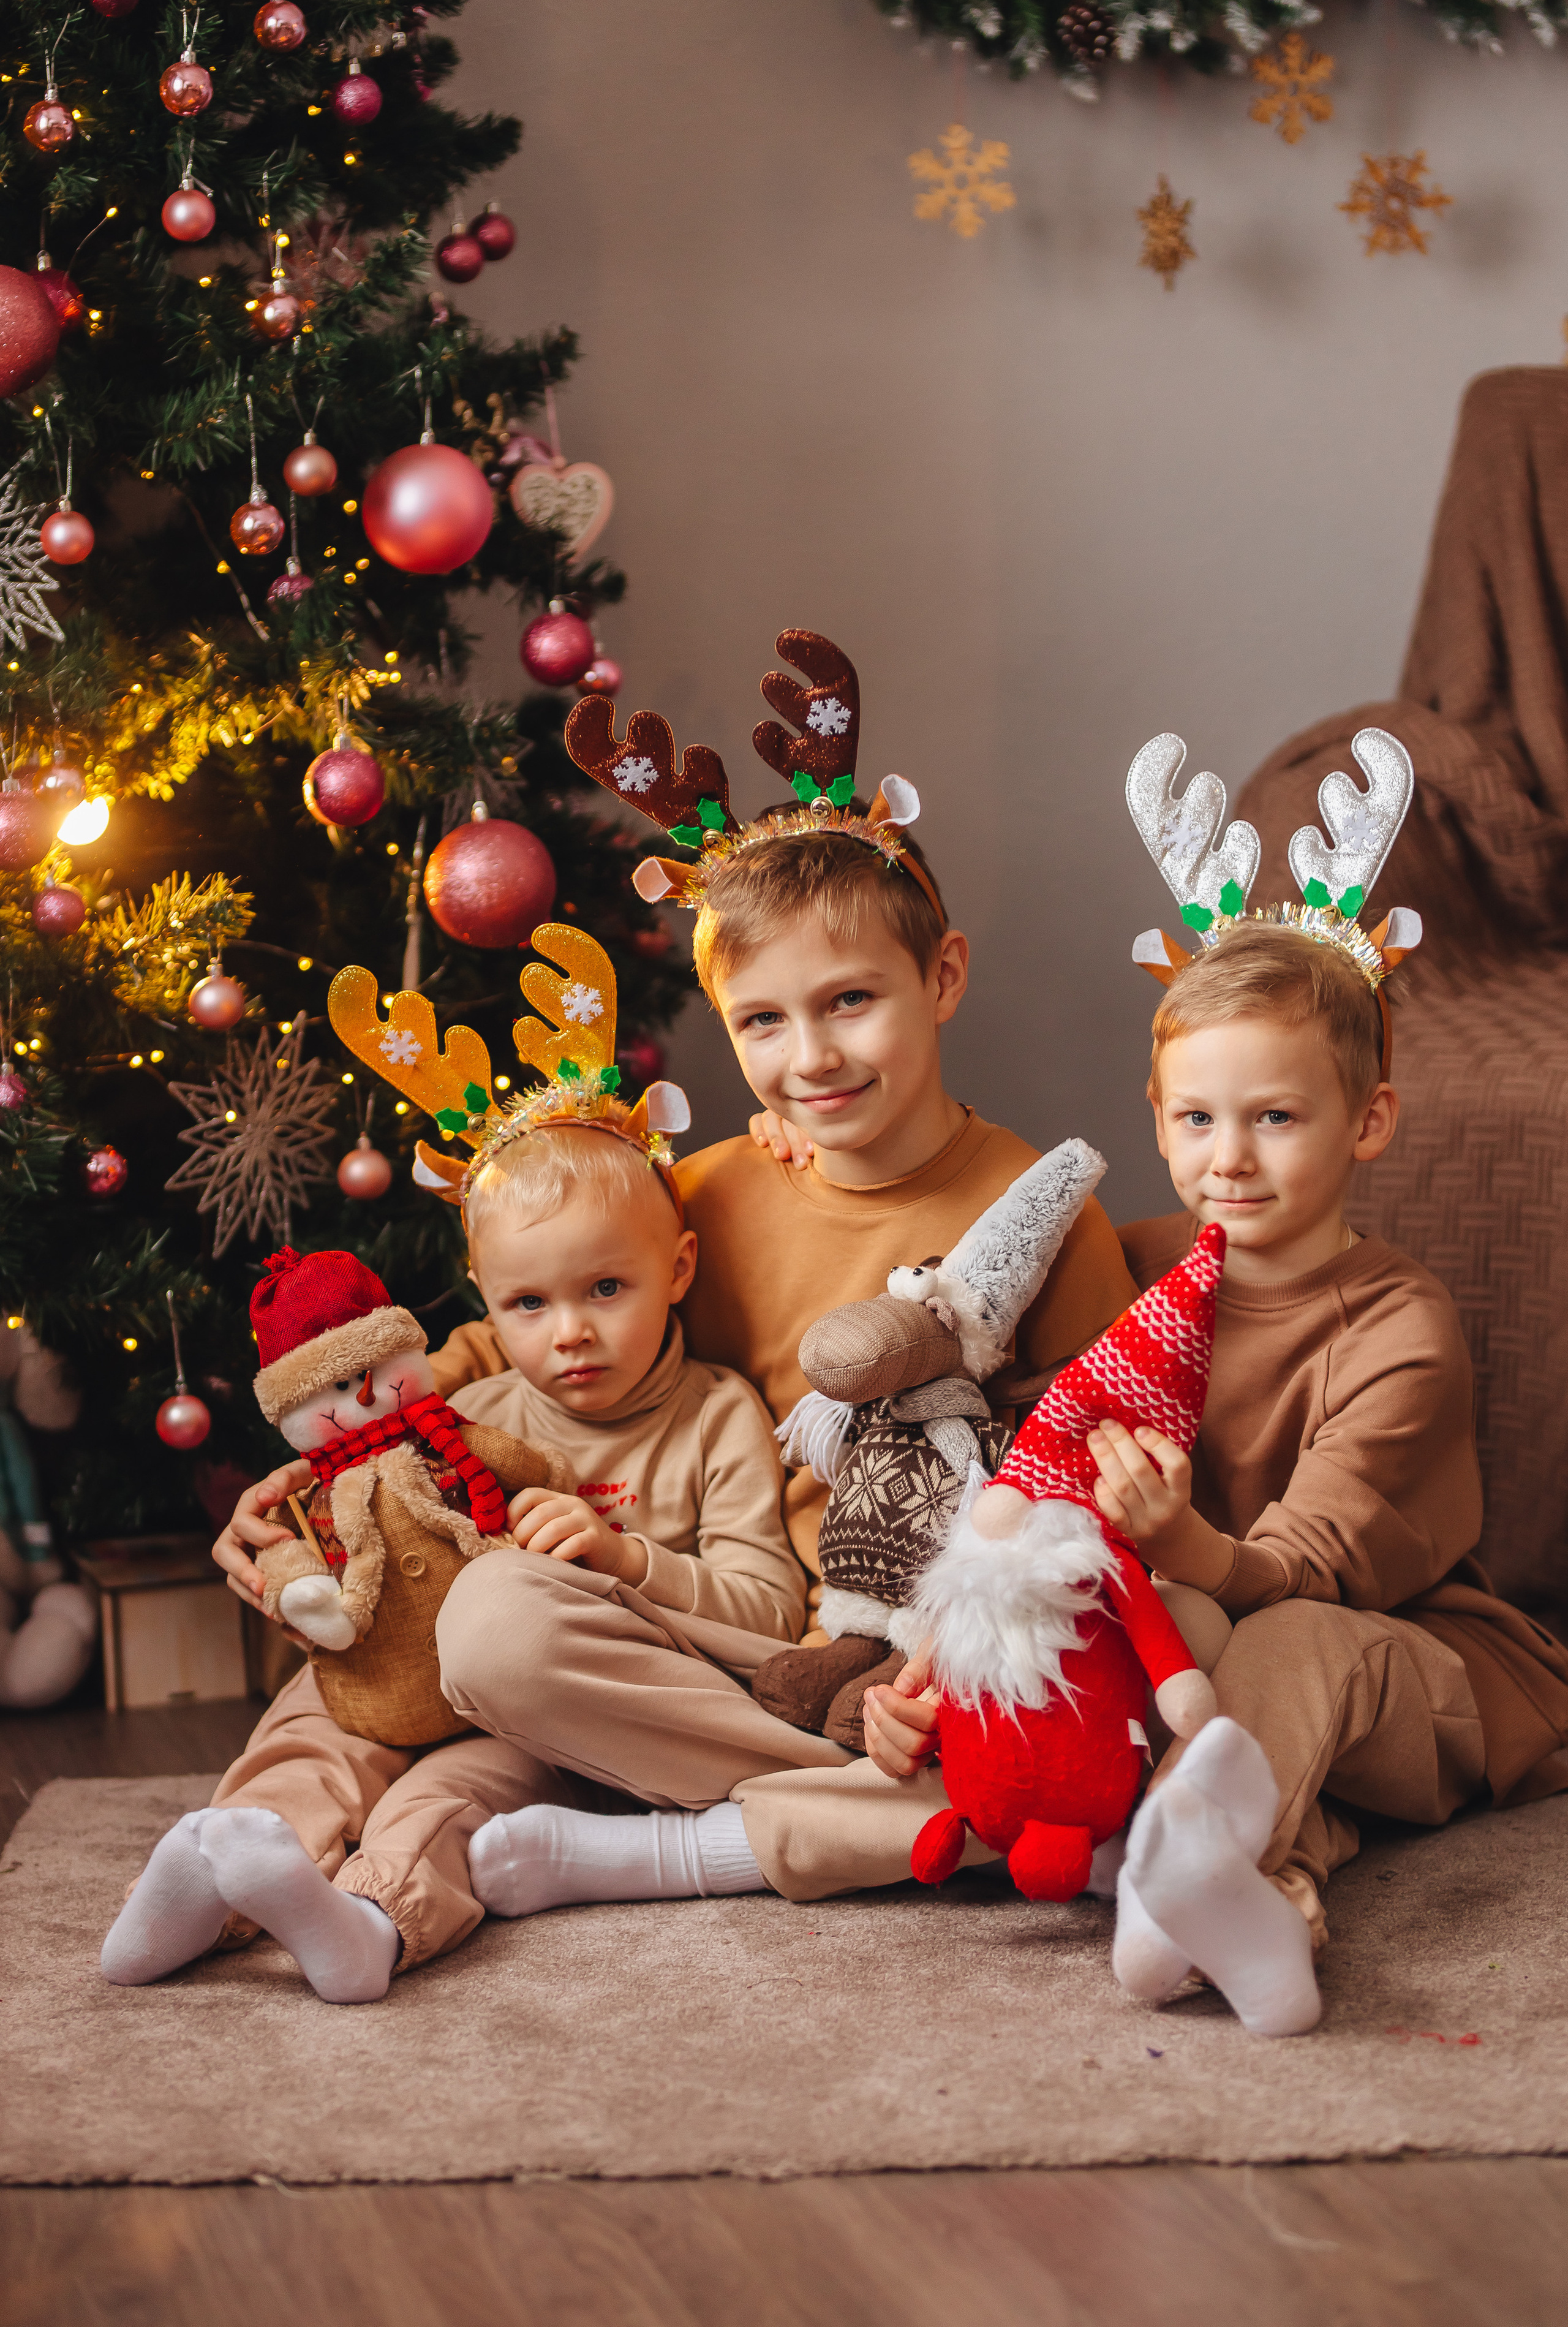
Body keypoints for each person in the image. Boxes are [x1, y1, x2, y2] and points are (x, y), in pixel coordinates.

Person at [214, 631, 1139, 1915]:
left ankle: (821, 1809)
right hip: (689, 1639)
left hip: (899, 1654)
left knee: (499, 1655)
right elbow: (503, 1349)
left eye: (850, 1002)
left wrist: (942, 1665)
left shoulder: (1036, 1214)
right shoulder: (703, 1190)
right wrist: (301, 1472)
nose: (809, 1058)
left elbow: (1071, 1498)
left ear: (942, 978)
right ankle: (250, 1850)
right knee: (477, 1618)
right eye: (763, 1021)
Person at [113, 944, 801, 2003]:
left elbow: (766, 1614)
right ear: (483, 1301)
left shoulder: (717, 1416)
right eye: (528, 1305)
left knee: (461, 1785)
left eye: (607, 1288)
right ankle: (231, 1858)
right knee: (318, 1718)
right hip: (404, 1677)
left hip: (546, 1708)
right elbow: (351, 1543)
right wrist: (304, 1580)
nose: (569, 1334)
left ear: (678, 1268)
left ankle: (371, 1920)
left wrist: (630, 1559)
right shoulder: (459, 1415)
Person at [1080, 918, 1568, 2030]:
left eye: (1277, 1118)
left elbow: (1311, 1575)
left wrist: (1179, 1545)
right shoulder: (1121, 1264)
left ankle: (1176, 1870)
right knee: (1120, 1631)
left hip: (1414, 1659)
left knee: (1283, 1644)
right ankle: (1264, 1889)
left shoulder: (1402, 1325)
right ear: (1158, 1119)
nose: (1230, 1158)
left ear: (1369, 1121)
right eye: (1198, 1118)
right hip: (1204, 1654)